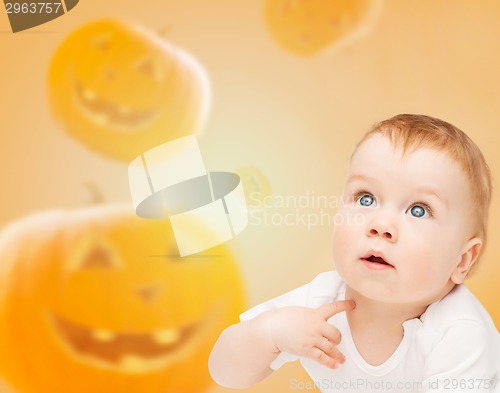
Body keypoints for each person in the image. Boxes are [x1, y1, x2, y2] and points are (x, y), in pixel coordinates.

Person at [208, 114, 500, 392]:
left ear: (462, 260)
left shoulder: (460, 332)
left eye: (418, 210)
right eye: (366, 198)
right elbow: (223, 371)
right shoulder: (321, 300)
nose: (381, 225)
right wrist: (270, 333)